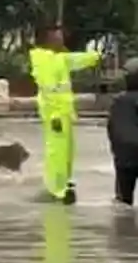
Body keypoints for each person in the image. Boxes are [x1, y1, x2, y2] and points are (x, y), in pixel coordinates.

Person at [29, 26, 102, 205]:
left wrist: (95, 56)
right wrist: (54, 115)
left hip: (63, 113)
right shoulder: (44, 61)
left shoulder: (57, 58)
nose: (61, 41)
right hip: (56, 114)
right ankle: (57, 189)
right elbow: (48, 90)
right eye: (57, 37)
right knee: (57, 152)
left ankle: (64, 183)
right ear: (47, 41)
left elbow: (75, 60)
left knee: (67, 151)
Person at [108, 58, 138, 206]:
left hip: (123, 157)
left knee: (123, 201)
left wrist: (116, 151)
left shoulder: (117, 101)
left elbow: (111, 129)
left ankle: (122, 227)